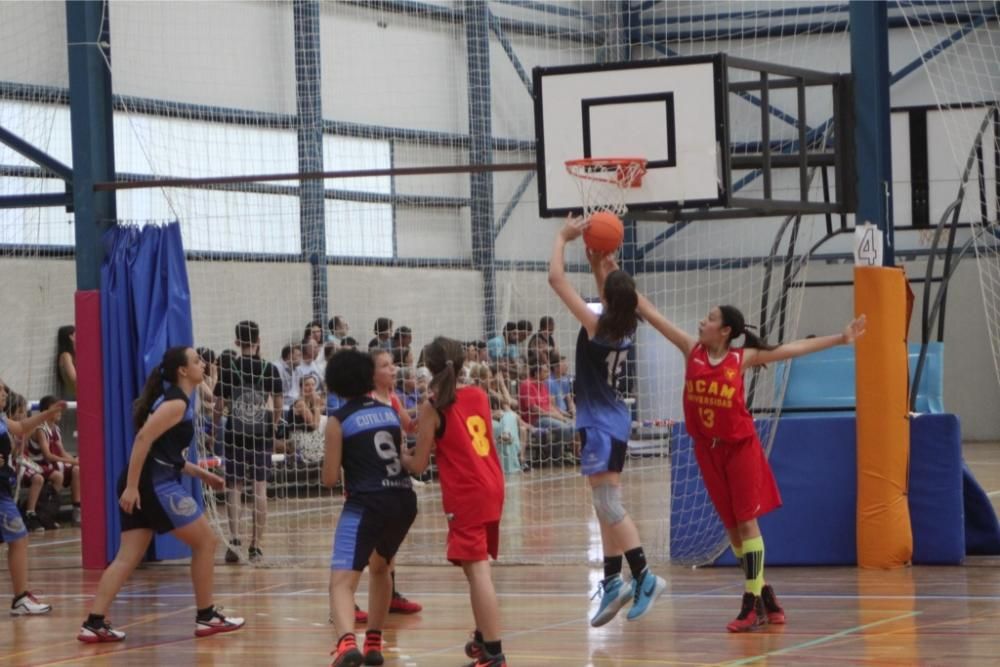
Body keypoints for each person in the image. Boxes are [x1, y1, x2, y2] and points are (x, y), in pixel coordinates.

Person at [77, 347, 244, 642]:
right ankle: (206, 617)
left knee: (127, 557)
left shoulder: (179, 402)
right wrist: (131, 487)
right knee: (206, 542)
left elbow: (167, 454)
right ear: (182, 371)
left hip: (148, 480)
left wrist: (203, 474)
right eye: (196, 361)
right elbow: (143, 439)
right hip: (151, 484)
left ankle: (94, 621)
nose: (202, 364)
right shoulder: (175, 403)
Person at [548, 217, 666, 627]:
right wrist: (600, 262)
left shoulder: (597, 325)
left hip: (599, 421)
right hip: (613, 418)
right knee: (603, 506)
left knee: (607, 504)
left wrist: (562, 240)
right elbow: (610, 293)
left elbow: (555, 280)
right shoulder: (625, 325)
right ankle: (613, 580)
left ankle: (645, 575)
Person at [403, 337, 506, 667]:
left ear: (428, 367)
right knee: (473, 565)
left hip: (467, 493)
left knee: (477, 571)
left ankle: (494, 653)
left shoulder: (433, 407)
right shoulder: (477, 395)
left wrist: (397, 455)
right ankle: (482, 637)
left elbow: (418, 466)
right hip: (492, 483)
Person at [324, 350, 417, 667]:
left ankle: (346, 644)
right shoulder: (390, 412)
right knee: (382, 567)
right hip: (404, 500)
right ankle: (374, 643)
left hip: (367, 502)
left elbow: (329, 478)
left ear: (333, 384)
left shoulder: (338, 420)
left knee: (341, 582)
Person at [214, 321, 283, 564]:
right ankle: (257, 545)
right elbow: (277, 406)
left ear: (236, 342)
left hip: (235, 432)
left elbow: (219, 405)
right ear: (258, 339)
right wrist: (272, 427)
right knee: (260, 487)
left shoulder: (228, 367)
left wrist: (215, 428)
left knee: (234, 487)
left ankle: (234, 540)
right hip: (261, 431)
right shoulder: (269, 369)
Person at [0, 380, 63, 615]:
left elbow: (22, 426)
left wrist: (46, 414)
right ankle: (20, 597)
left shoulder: (3, 420)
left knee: (19, 539)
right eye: (0, 389)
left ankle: (20, 598)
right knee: (19, 537)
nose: (5, 393)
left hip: (4, 489)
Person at [368, 348, 423, 614]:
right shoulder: (366, 401)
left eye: (393, 364)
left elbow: (410, 427)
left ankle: (390, 592)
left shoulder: (392, 398)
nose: (393, 369)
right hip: (373, 479)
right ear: (372, 374)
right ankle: (358, 598)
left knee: (391, 538)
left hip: (395, 474)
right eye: (386, 365)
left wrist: (429, 411)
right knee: (372, 542)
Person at [27, 396, 82, 526]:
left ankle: (77, 510)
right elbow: (48, 456)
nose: (60, 411)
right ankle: (47, 513)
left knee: (77, 470)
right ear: (46, 411)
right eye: (56, 408)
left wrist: (76, 461)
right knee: (59, 474)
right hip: (39, 464)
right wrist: (73, 461)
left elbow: (62, 452)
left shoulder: (55, 428)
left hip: (52, 464)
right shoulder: (40, 429)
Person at [56, 325, 76, 400]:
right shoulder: (66, 356)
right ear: (71, 337)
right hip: (73, 395)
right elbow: (74, 377)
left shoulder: (74, 354)